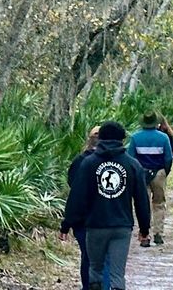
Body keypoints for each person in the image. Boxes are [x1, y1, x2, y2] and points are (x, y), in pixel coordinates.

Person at [61, 121, 151, 290]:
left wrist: (66, 224)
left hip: (95, 226)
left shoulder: (88, 163)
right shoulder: (132, 164)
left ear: (100, 138)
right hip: (122, 227)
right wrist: (144, 228)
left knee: (95, 269)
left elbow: (77, 196)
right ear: (122, 139)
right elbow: (142, 199)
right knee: (117, 274)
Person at [67, 126, 111, 290]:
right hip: (104, 218)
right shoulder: (112, 162)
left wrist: (68, 221)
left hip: (83, 219)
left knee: (87, 257)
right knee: (105, 258)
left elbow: (73, 187)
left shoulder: (79, 161)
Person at [127, 112, 173, 247]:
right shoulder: (163, 137)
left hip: (141, 173)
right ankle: (158, 233)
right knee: (159, 203)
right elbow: (169, 158)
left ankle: (144, 234)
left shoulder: (135, 137)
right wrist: (164, 172)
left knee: (143, 204)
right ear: (155, 123)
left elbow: (131, 157)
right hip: (158, 172)